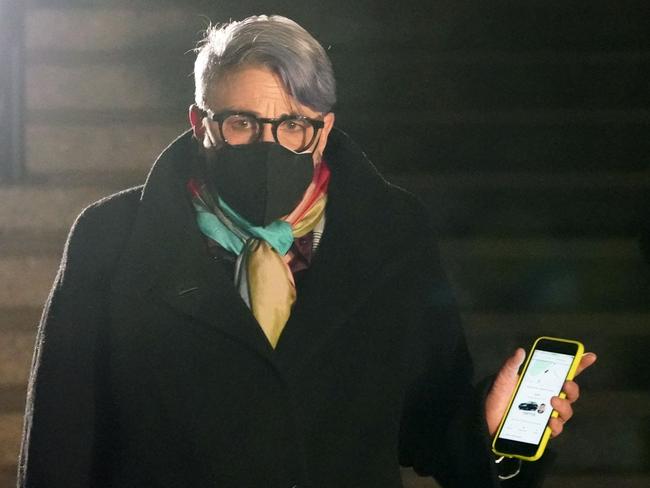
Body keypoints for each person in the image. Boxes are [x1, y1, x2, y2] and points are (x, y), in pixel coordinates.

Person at [17, 15, 596, 488]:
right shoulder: (110, 238)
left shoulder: (392, 233)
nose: (271, 145)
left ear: (323, 129)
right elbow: (61, 446)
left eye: (293, 124)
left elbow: (426, 423)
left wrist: (488, 426)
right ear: (201, 124)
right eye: (242, 122)